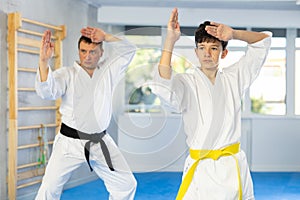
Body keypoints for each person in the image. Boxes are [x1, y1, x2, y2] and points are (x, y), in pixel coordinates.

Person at [151, 8, 272, 200]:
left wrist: (234, 34)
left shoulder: (235, 77)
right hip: (201, 168)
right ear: (196, 52)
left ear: (224, 53)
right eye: (202, 48)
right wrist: (170, 40)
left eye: (214, 48)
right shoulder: (186, 83)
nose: (207, 54)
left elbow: (263, 41)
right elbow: (163, 85)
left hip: (231, 167)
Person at [35, 27, 137, 200]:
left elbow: (130, 50)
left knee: (126, 184)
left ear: (101, 52)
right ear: (79, 51)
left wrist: (105, 36)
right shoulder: (67, 74)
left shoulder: (108, 71)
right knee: (49, 188)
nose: (87, 56)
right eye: (83, 51)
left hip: (100, 142)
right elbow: (47, 92)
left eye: (93, 52)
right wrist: (44, 62)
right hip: (69, 143)